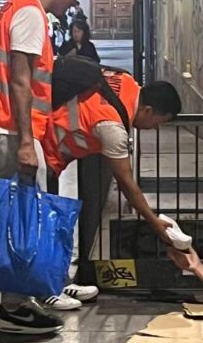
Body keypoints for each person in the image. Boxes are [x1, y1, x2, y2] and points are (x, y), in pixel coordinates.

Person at [0, 0, 96, 336]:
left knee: (23, 210)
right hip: (6, 126)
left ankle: (28, 293)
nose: (74, 1)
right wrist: (26, 141)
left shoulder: (19, 6)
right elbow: (20, 80)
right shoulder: (30, 14)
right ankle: (14, 307)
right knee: (22, 214)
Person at [43, 71, 182, 250]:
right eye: (158, 122)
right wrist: (153, 221)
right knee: (33, 228)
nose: (155, 128)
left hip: (41, 128)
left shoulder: (125, 79)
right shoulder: (112, 127)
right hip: (45, 156)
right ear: (147, 110)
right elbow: (126, 183)